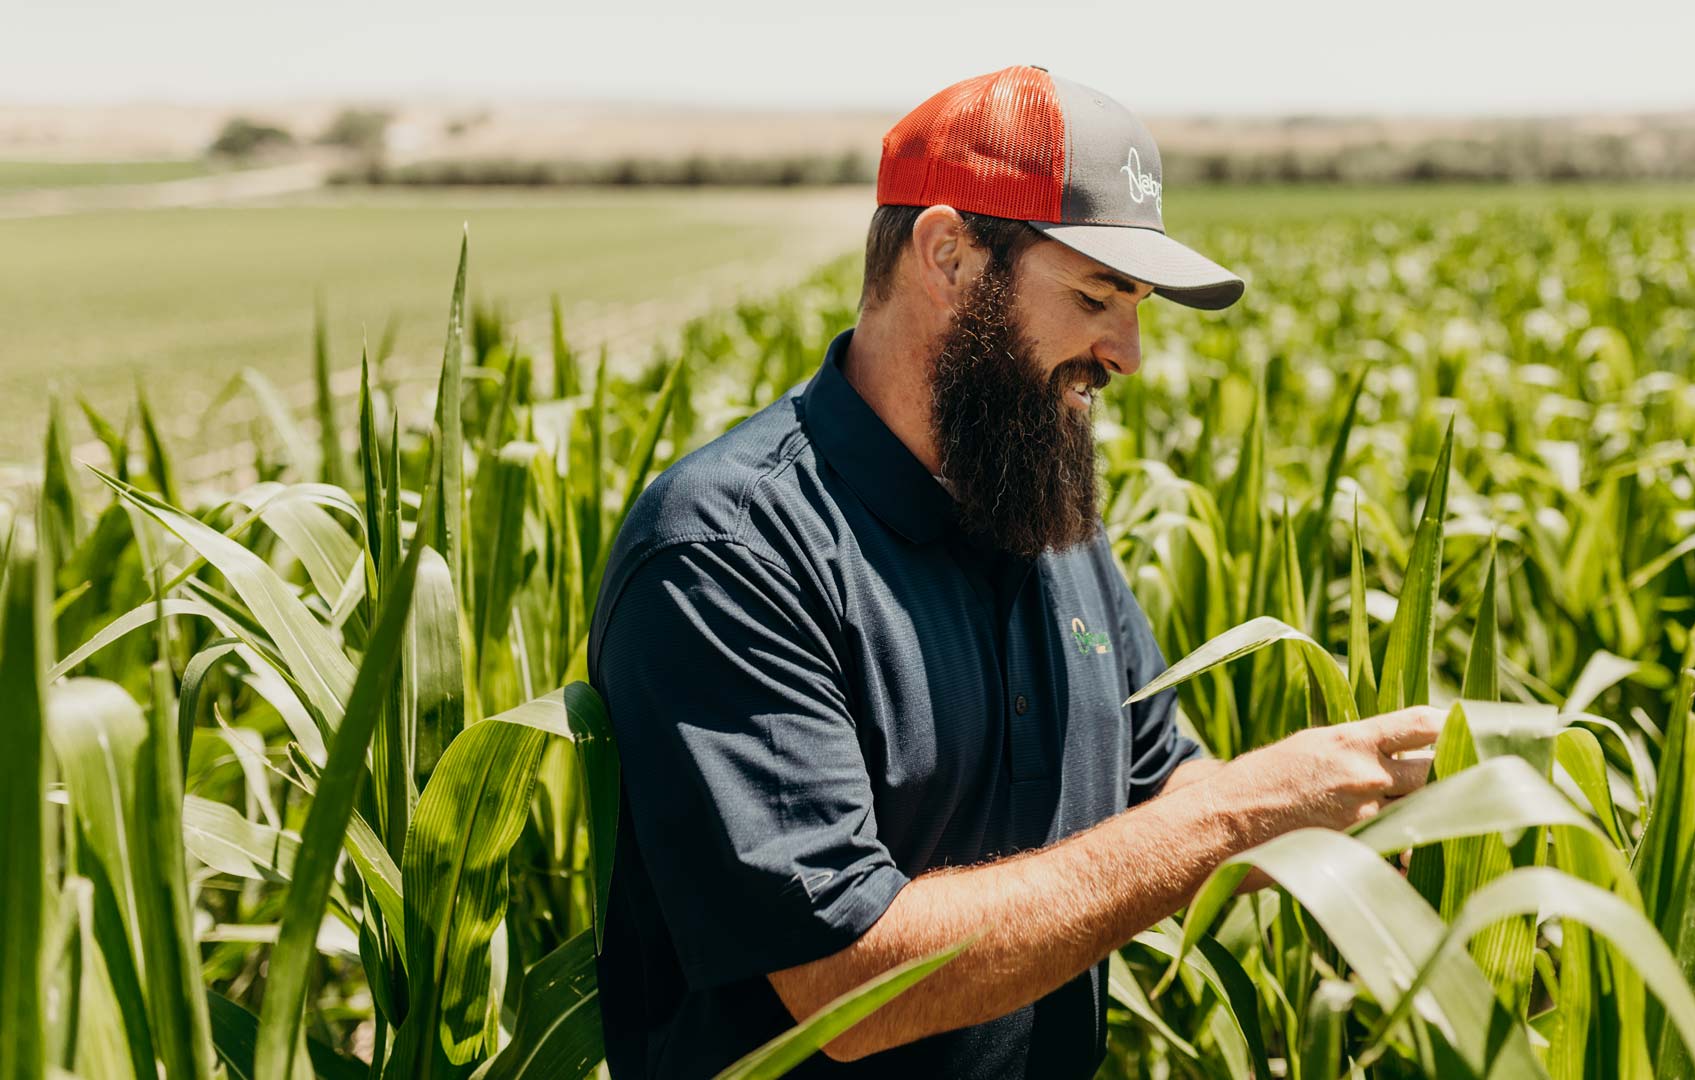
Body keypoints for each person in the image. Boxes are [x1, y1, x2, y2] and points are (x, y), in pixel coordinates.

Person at [585, 64, 1444, 1078]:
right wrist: (1237, 815)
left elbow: (1158, 783)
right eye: (1095, 295)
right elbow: (843, 980)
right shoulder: (731, 554)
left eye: (1137, 306)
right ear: (947, 254)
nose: (1128, 353)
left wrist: (1373, 816)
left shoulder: (1038, 505)